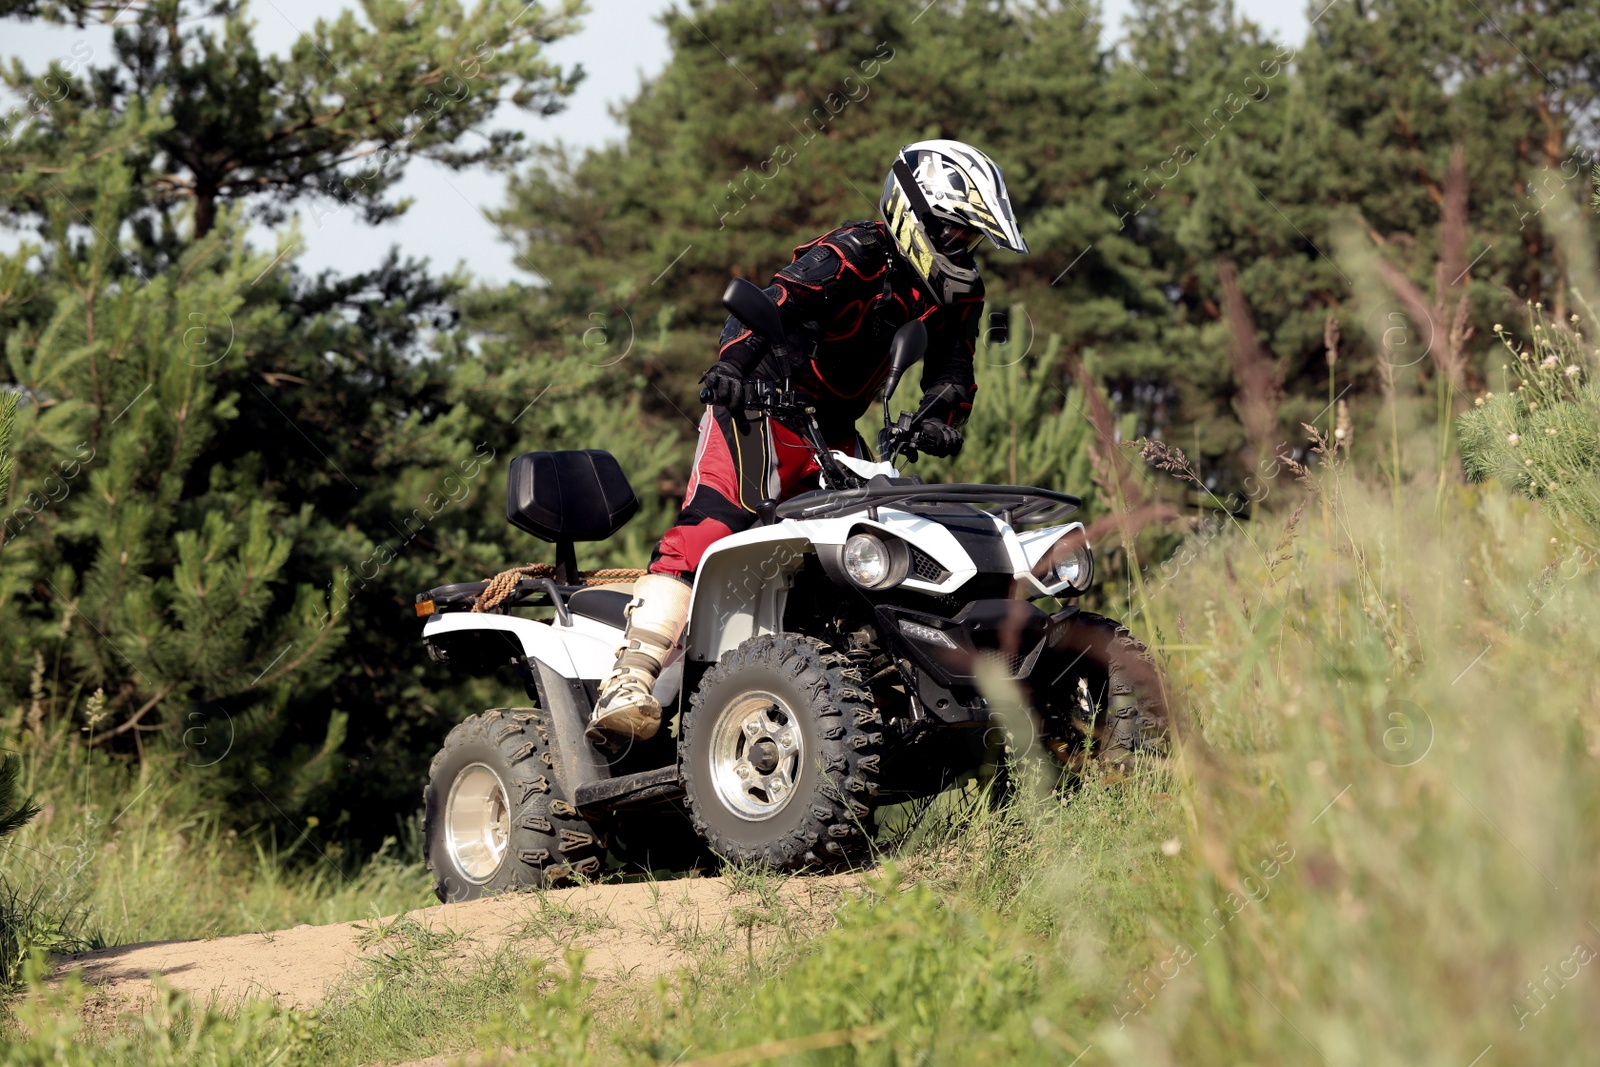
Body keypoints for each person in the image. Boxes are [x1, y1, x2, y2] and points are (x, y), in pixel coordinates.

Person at [587, 139, 1029, 742]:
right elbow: (770, 305)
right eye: (953, 233)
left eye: (969, 239)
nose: (961, 249)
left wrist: (940, 420)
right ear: (914, 214)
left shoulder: (959, 292)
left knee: (894, 538)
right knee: (714, 524)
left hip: (835, 430)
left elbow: (955, 368)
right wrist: (732, 371)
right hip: (761, 406)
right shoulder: (853, 253)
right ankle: (629, 680)